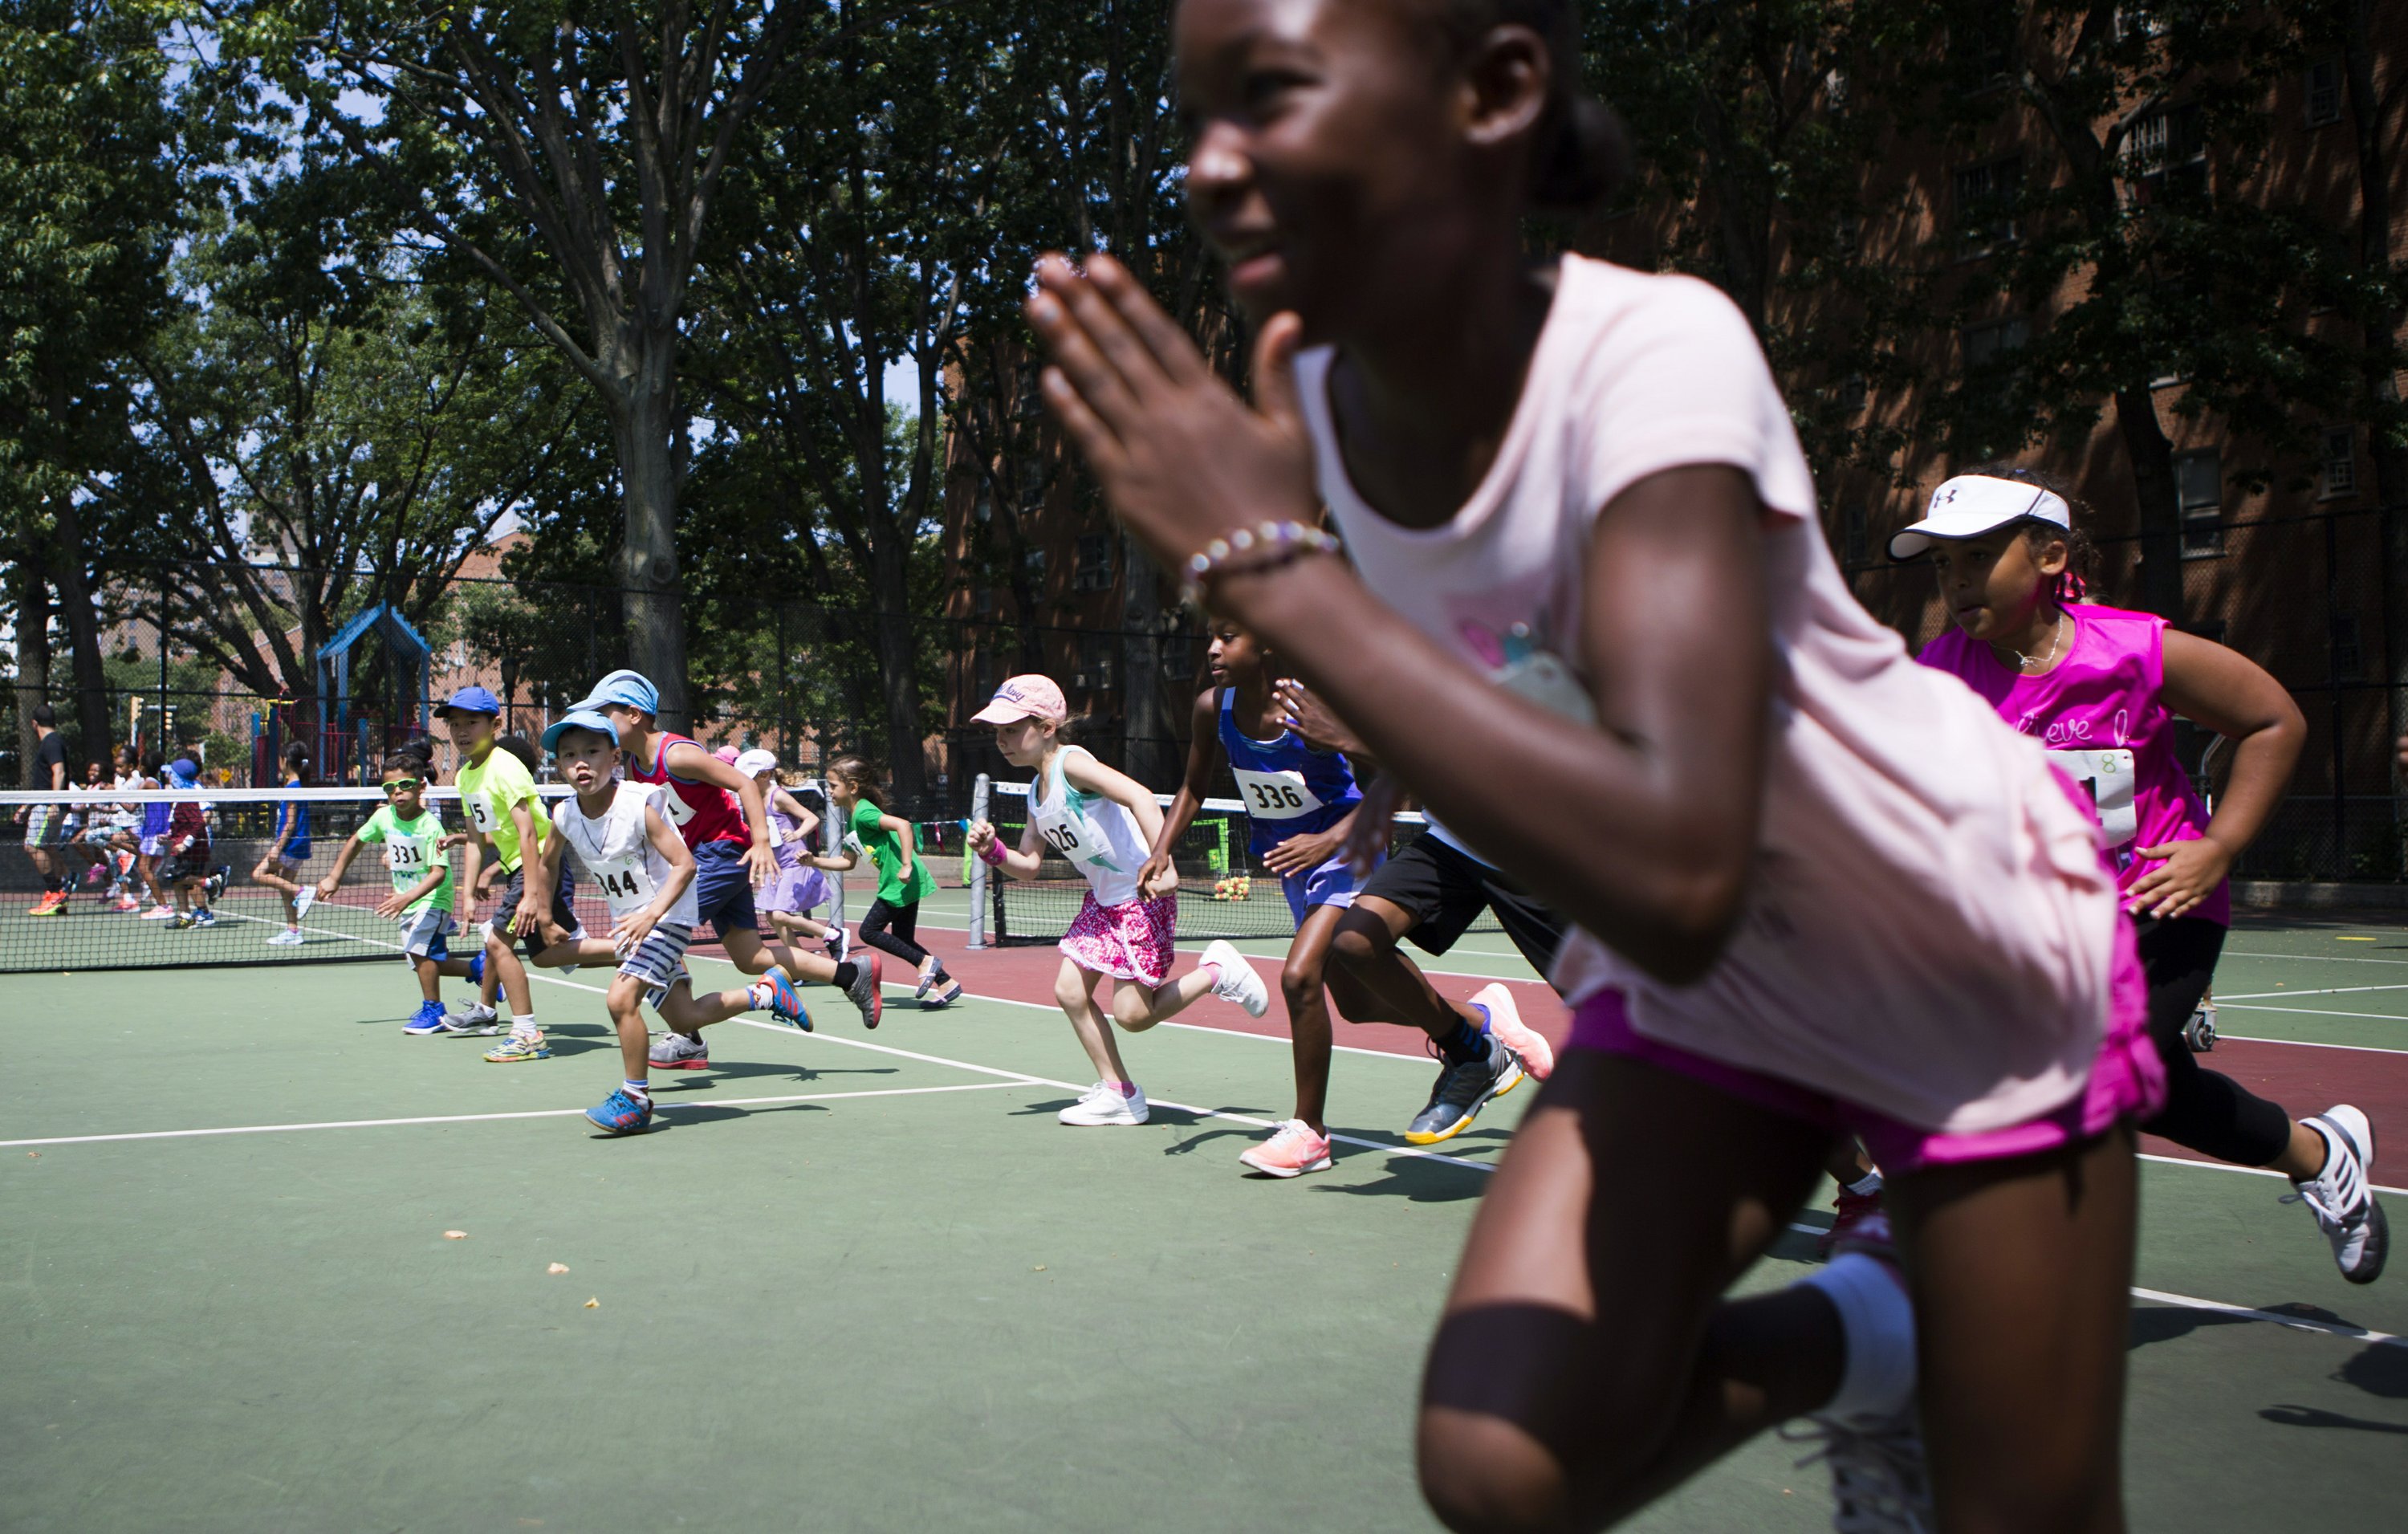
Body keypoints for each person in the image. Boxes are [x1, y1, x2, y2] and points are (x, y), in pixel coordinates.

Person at [1023, 2, 2163, 1528]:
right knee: (1507, 1454)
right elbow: (1494, 704)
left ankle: (1917, 1333)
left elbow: (1685, 865)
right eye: (1199, 113)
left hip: (1947, 920)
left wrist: (1284, 582)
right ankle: (1883, 1335)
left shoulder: (1656, 349)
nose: (1212, 166)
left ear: (1491, 95)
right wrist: (1366, 795)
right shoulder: (1310, 384)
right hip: (1715, 977)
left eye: (1271, 95)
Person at [1898, 466, 2386, 1283]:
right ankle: (2319, 1152)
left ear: (2050, 555)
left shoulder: (2131, 649)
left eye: (1977, 557)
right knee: (2152, 1089)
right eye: (1943, 566)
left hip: (2162, 904)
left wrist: (2219, 846)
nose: (1956, 582)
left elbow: (2272, 720)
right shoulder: (1938, 676)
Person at [966, 675, 1271, 1125]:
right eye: (997, 730)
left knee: (1132, 1015)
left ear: (1048, 726)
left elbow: (1140, 796)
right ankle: (1120, 1092)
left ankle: (1218, 971)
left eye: (1011, 728)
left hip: (1140, 896)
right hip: (1103, 903)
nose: (1001, 739)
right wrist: (992, 850)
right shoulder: (1035, 793)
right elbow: (1028, 863)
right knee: (1070, 991)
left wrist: (1162, 861)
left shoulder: (1072, 764)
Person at [559, 671, 884, 1078]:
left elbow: (745, 783)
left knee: (657, 930)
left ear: (634, 715)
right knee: (752, 957)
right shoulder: (634, 765)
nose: (597, 722)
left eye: (603, 713)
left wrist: (762, 839)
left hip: (721, 854)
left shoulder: (675, 755)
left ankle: (687, 1036)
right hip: (708, 856)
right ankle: (851, 973)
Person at [527, 712, 815, 1133]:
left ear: (614, 758)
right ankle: (767, 993)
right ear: (559, 765)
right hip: (633, 922)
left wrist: (652, 914)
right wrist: (545, 912)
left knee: (620, 999)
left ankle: (634, 1099)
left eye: (592, 752)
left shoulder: (637, 805)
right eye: (570, 755)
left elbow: (684, 866)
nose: (581, 763)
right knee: (684, 1018)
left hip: (668, 916)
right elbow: (547, 864)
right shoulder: (565, 815)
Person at [440, 687, 573, 1064]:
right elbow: (476, 840)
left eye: (471, 722)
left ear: (495, 724)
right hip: (521, 868)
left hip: (544, 863)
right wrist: (467, 893)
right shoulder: (466, 777)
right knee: (549, 956)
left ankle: (526, 1034)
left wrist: (532, 893)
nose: (461, 731)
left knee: (498, 943)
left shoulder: (506, 765)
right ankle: (635, 952)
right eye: (454, 725)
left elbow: (529, 831)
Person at [314, 748, 487, 1034]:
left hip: (433, 898)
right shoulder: (384, 818)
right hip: (407, 900)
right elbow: (357, 840)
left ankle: (434, 1010)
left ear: (421, 787)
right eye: (390, 787)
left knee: (420, 953)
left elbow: (438, 873)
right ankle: (478, 968)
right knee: (423, 960)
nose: (397, 792)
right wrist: (334, 876)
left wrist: (407, 897)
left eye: (405, 785)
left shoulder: (430, 825)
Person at [828, 755, 960, 1007]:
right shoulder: (856, 816)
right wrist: (813, 862)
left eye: (834, 786)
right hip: (905, 879)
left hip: (902, 879)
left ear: (852, 787)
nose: (830, 792)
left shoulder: (864, 812)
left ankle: (926, 963)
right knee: (903, 937)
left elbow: (903, 825)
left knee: (868, 931)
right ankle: (946, 982)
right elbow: (848, 862)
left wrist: (907, 864)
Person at [740, 752, 845, 961]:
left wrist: (797, 834)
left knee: (780, 914)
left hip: (794, 863)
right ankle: (800, 963)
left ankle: (833, 935)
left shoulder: (777, 796)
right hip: (775, 866)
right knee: (772, 917)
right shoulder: (752, 799)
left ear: (764, 775)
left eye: (750, 777)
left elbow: (811, 818)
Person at [254, 743, 317, 946]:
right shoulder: (300, 787)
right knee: (284, 887)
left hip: (290, 845)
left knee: (258, 874)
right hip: (301, 845)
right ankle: (293, 930)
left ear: (285, 762)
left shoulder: (292, 788)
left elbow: (290, 823)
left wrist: (277, 847)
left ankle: (301, 891)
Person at [19, 704, 69, 915]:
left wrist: (53, 802)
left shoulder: (51, 742)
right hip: (45, 803)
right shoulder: (53, 742)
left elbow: (59, 771)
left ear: (34, 724)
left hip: (49, 805)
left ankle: (55, 893)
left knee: (32, 846)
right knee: (47, 847)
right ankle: (60, 895)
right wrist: (27, 804)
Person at [160, 755, 218, 929]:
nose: (168, 777)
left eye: (171, 774)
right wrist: (169, 836)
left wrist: (186, 843)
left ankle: (209, 883)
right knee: (177, 880)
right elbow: (180, 823)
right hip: (180, 846)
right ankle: (185, 916)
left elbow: (200, 821)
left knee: (176, 876)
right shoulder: (180, 796)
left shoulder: (191, 795)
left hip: (192, 848)